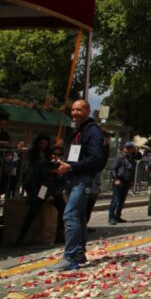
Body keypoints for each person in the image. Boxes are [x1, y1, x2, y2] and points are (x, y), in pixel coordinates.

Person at [48, 99, 107, 271]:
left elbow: (96, 159)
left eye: (79, 110)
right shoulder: (78, 132)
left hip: (83, 178)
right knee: (79, 217)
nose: (74, 113)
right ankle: (79, 254)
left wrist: (72, 167)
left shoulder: (93, 132)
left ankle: (70, 256)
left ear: (88, 111)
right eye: (73, 110)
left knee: (70, 215)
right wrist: (63, 163)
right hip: (74, 177)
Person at [15, 134, 55, 246]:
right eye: (41, 143)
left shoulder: (47, 154)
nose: (43, 146)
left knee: (57, 205)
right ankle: (21, 238)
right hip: (36, 185)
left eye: (45, 144)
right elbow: (29, 171)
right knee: (35, 208)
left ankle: (58, 236)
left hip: (45, 185)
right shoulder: (31, 153)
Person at [108, 142, 138, 225]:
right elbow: (113, 169)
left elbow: (132, 171)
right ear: (124, 148)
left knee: (121, 200)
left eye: (130, 148)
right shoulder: (119, 158)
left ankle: (118, 216)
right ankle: (111, 218)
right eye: (127, 148)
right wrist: (116, 179)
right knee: (115, 200)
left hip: (127, 181)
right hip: (119, 181)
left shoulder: (131, 158)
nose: (128, 150)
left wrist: (131, 181)